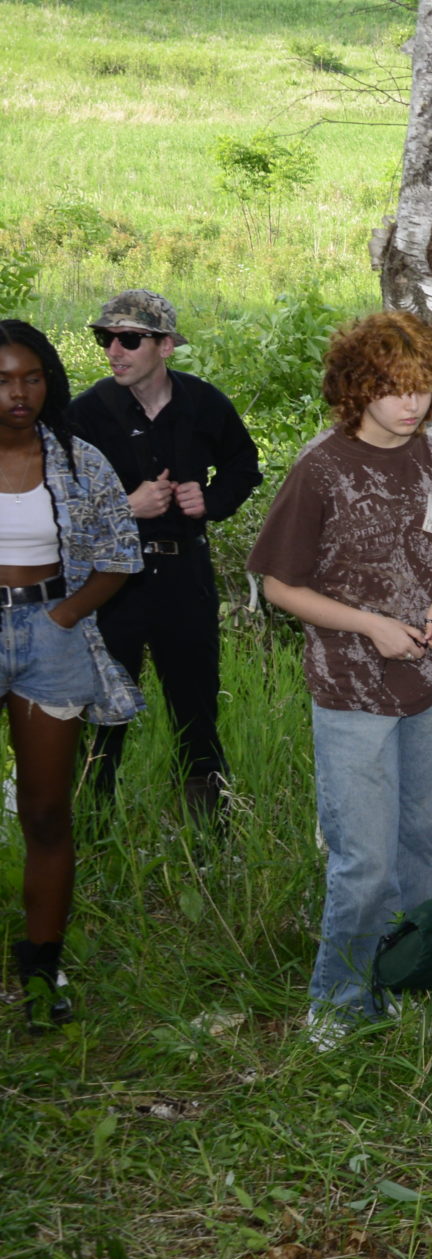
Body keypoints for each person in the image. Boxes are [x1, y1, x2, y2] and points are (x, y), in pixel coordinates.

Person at [248, 312, 432, 1046]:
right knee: (365, 858)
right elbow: (277, 584)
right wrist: (368, 623)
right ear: (357, 390)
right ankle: (340, 1000)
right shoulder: (322, 468)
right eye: (391, 389)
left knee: (426, 847)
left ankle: (414, 980)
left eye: (421, 389)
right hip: (352, 689)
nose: (409, 405)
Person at [65, 288, 262, 816]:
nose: (114, 351)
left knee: (195, 705)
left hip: (184, 574)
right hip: (112, 582)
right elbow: (58, 505)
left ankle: (209, 830)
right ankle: (92, 826)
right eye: (106, 338)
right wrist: (125, 507)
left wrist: (212, 501)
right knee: (103, 709)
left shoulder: (203, 403)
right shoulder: (84, 415)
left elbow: (244, 465)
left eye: (129, 339)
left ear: (166, 346)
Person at [0, 321, 141, 1028]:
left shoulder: (80, 461)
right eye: (2, 380)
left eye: (30, 377)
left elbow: (121, 550)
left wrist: (62, 617)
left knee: (47, 811)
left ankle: (41, 963)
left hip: (49, 634)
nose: (17, 393)